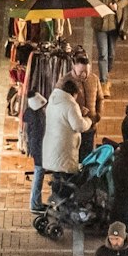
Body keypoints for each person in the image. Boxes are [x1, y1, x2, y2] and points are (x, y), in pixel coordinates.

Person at [38, 77, 91, 210]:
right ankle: (64, 208)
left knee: (56, 178)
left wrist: (79, 114)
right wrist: (88, 120)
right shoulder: (70, 104)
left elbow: (64, 119)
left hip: (52, 147)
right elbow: (78, 126)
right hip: (64, 150)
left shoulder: (54, 100)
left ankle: (55, 205)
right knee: (67, 181)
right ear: (73, 93)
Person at [85, 0, 128, 81]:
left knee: (111, 54)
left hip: (114, 23)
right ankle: (103, 81)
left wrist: (117, 5)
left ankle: (107, 72)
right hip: (98, 23)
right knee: (103, 54)